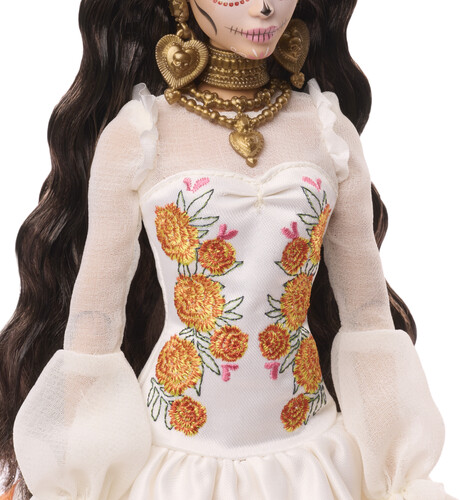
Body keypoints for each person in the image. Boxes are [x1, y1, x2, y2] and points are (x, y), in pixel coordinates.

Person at [0, 0, 455, 498]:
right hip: (174, 455)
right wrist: (75, 474)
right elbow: (95, 323)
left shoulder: (327, 130)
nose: (264, 7)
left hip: (312, 450)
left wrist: (398, 466)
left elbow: (366, 313)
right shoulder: (140, 134)